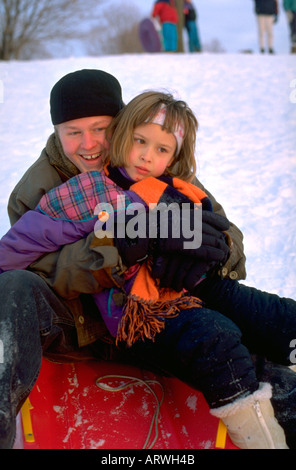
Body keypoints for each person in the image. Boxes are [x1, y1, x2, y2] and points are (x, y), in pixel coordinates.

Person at [1, 90, 296, 448]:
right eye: (73, 131)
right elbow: (23, 261)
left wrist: (213, 249)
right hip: (102, 318)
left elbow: (223, 232)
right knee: (215, 341)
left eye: (100, 129)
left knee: (264, 335)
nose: (89, 143)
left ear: (119, 125)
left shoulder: (168, 177)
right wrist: (119, 248)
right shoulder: (64, 189)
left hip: (182, 304)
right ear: (56, 131)